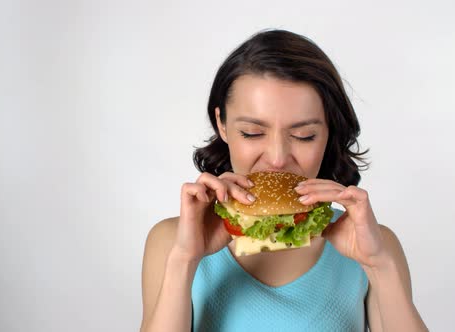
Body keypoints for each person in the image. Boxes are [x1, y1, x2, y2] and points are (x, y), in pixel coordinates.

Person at [139, 29, 428, 332]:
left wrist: (378, 265)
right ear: (222, 124)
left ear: (330, 133)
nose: (278, 158)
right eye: (252, 132)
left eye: (304, 135)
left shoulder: (373, 243)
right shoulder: (171, 241)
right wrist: (184, 260)